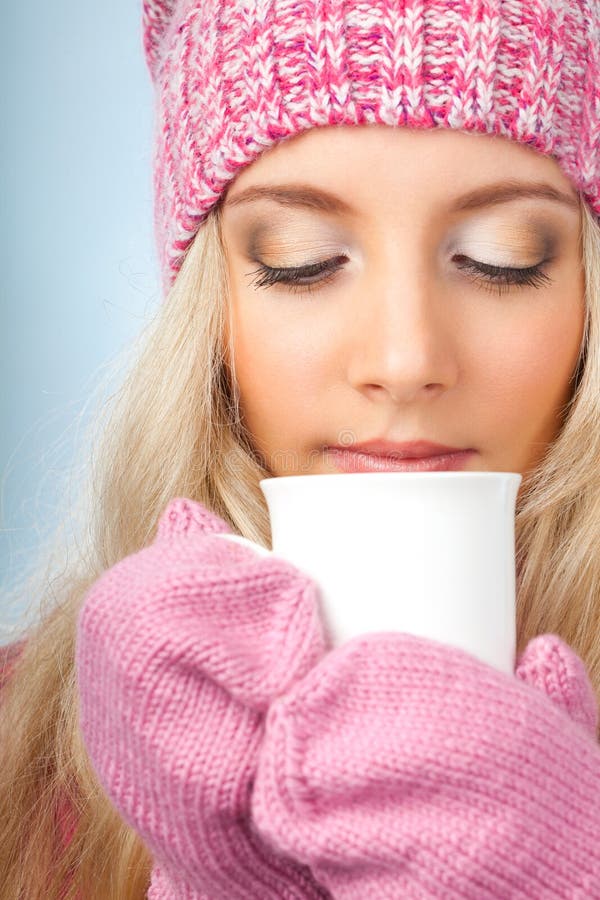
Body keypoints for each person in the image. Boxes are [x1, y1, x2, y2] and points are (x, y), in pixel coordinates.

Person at [1, 0, 600, 897]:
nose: (404, 361)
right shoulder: (19, 754)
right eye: (302, 259)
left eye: (501, 258)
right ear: (209, 318)